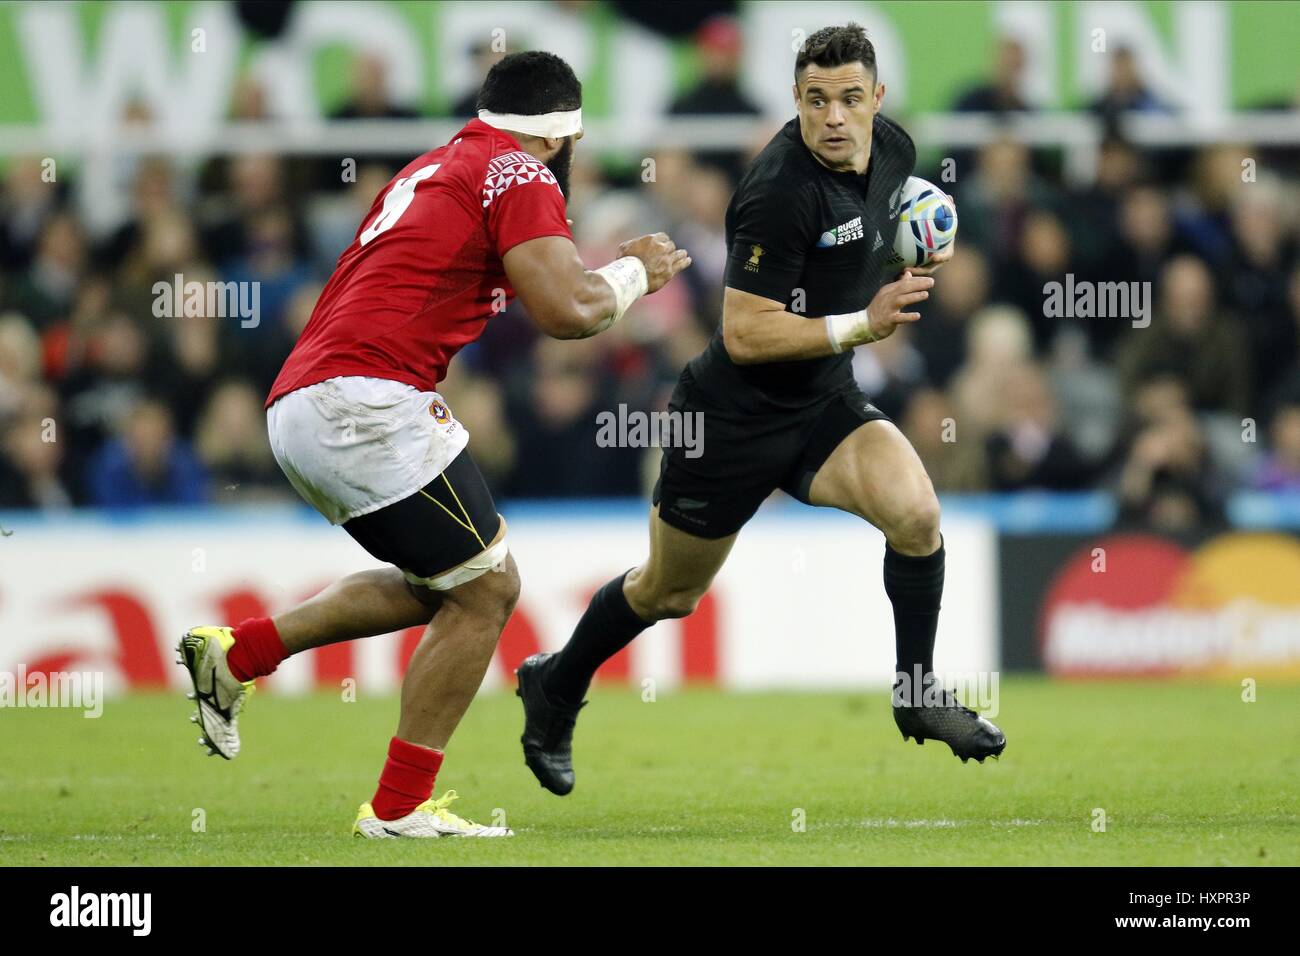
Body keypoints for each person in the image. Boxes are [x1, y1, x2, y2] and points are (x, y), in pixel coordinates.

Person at [175, 51, 691, 838]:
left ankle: (238, 656)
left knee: (445, 584)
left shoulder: (439, 165)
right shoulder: (519, 174)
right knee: (487, 592)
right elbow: (566, 309)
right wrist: (635, 272)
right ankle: (399, 807)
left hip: (305, 403)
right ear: (560, 135)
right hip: (366, 399)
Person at [516, 23, 1006, 799]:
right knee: (667, 594)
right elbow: (743, 334)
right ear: (795, 101)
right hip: (729, 420)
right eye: (817, 101)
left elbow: (867, 236)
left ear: (878, 99)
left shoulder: (899, 154)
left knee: (916, 515)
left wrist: (913, 250)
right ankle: (557, 684)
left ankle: (915, 692)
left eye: (850, 99)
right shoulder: (776, 191)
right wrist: (861, 325)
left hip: (821, 402)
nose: (835, 118)